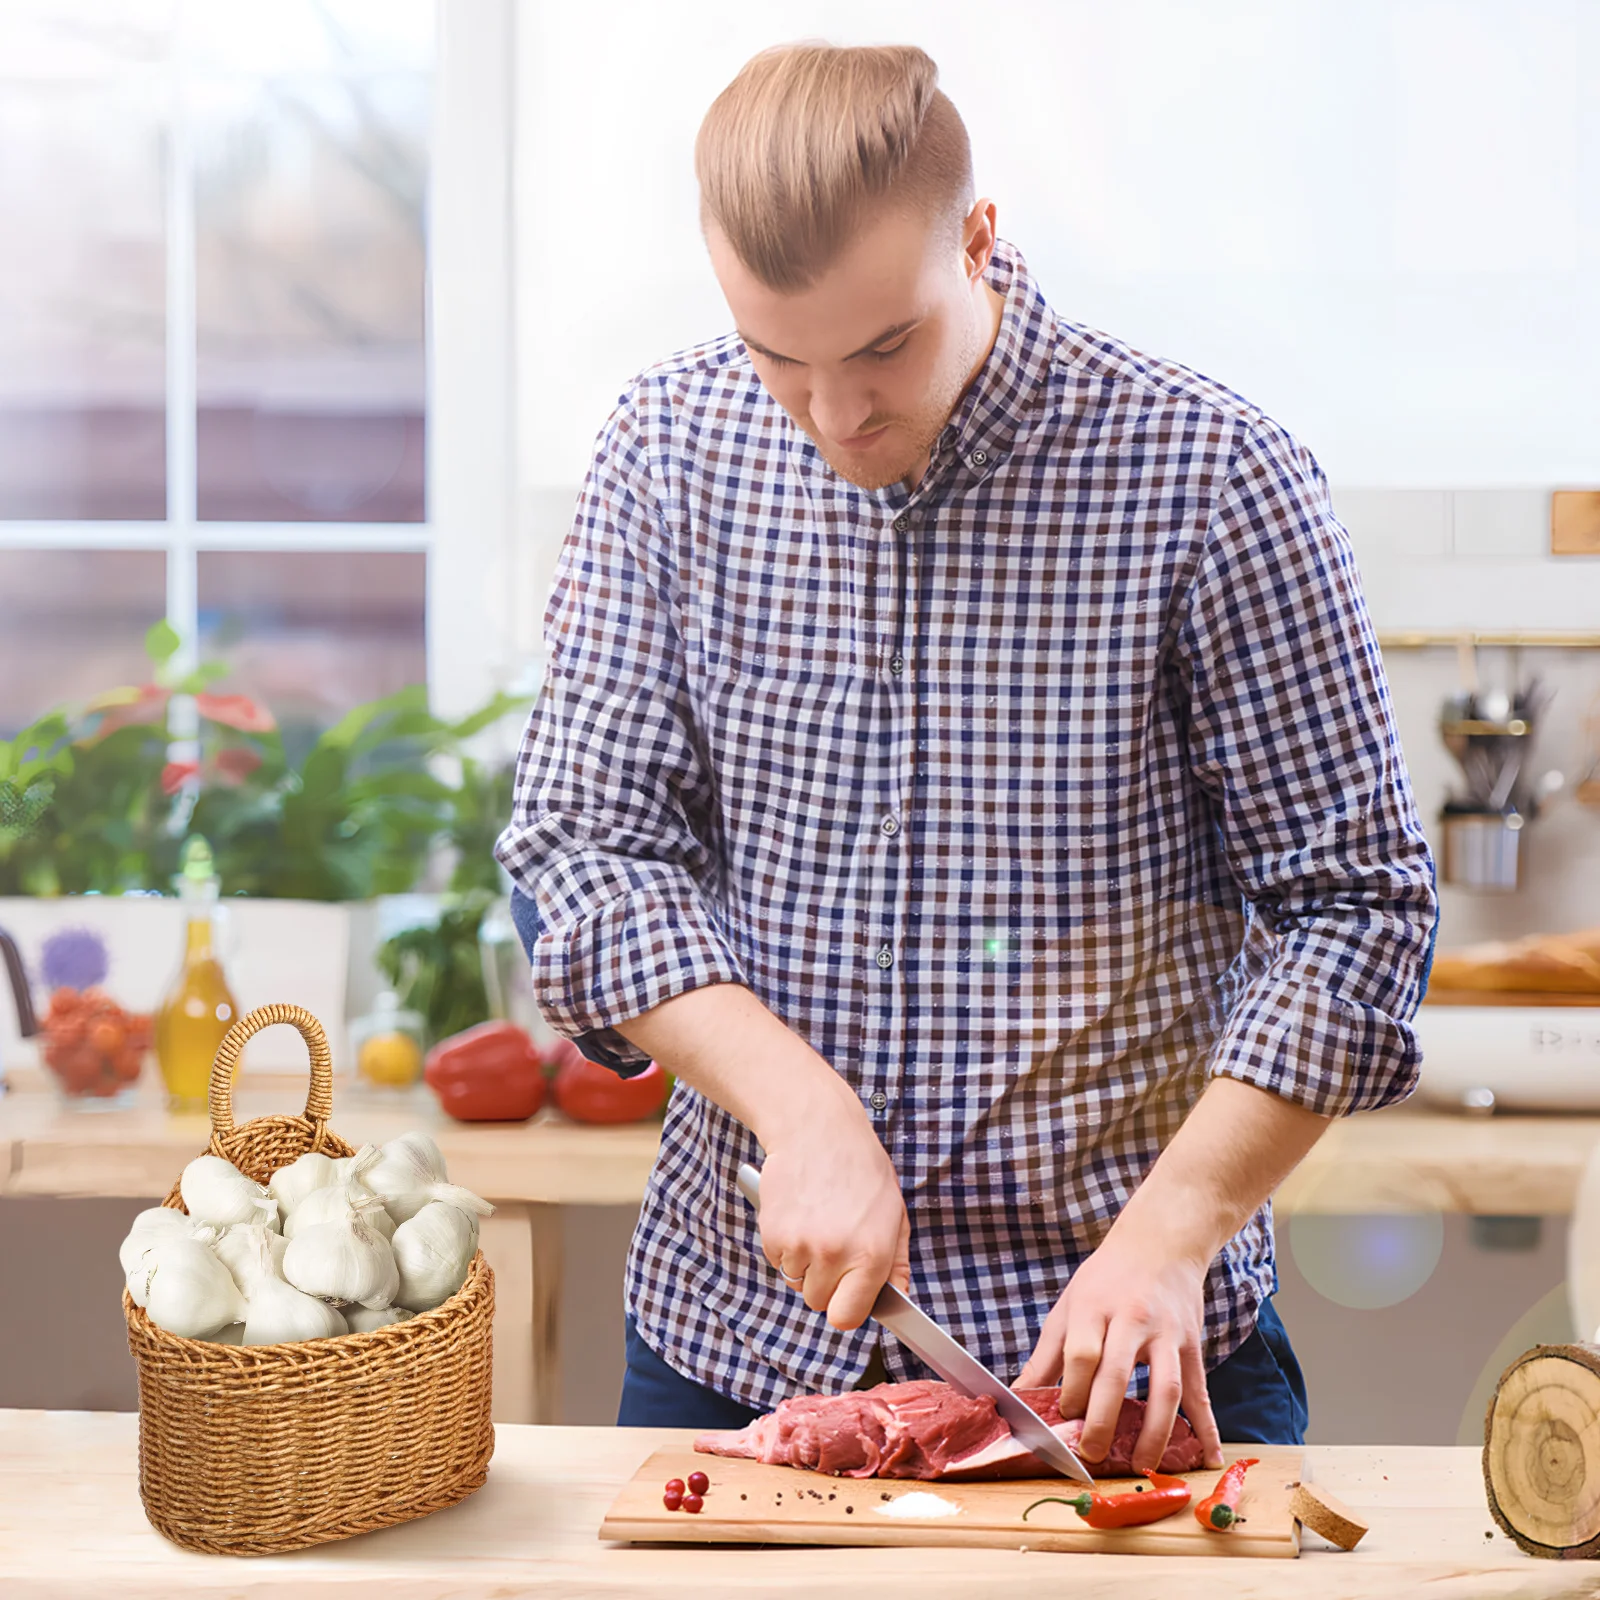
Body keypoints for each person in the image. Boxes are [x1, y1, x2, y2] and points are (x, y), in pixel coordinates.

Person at [495, 41, 1437, 1472]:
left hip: (1114, 1364)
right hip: (732, 1353)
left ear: (980, 240)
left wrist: (1170, 1237)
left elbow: (1356, 913)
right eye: (777, 358)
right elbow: (583, 851)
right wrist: (798, 1105)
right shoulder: (666, 451)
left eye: (885, 349)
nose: (833, 418)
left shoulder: (1211, 480)